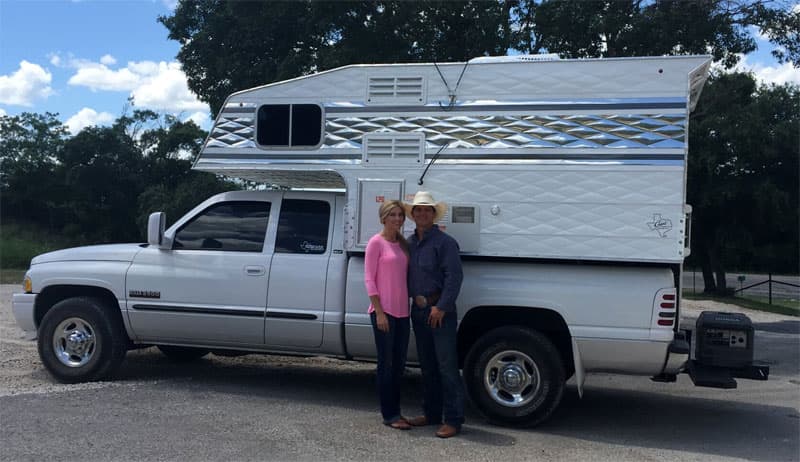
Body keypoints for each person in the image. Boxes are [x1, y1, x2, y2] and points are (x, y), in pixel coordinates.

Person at [402, 191, 465, 439]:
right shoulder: (409, 243)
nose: (422, 213)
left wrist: (442, 307)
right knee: (427, 366)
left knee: (447, 367)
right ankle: (431, 413)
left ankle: (454, 419)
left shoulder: (445, 243)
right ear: (413, 214)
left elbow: (454, 277)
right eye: (418, 209)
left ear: (433, 214)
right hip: (418, 312)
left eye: (427, 209)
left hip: (440, 312)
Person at [364, 200, 412, 430]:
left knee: (399, 364)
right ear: (384, 217)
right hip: (384, 313)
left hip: (403, 313)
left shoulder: (402, 244)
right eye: (392, 214)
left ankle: (397, 411)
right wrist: (380, 312)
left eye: (400, 215)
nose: (397, 219)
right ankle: (389, 414)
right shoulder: (376, 243)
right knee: (387, 364)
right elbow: (369, 279)